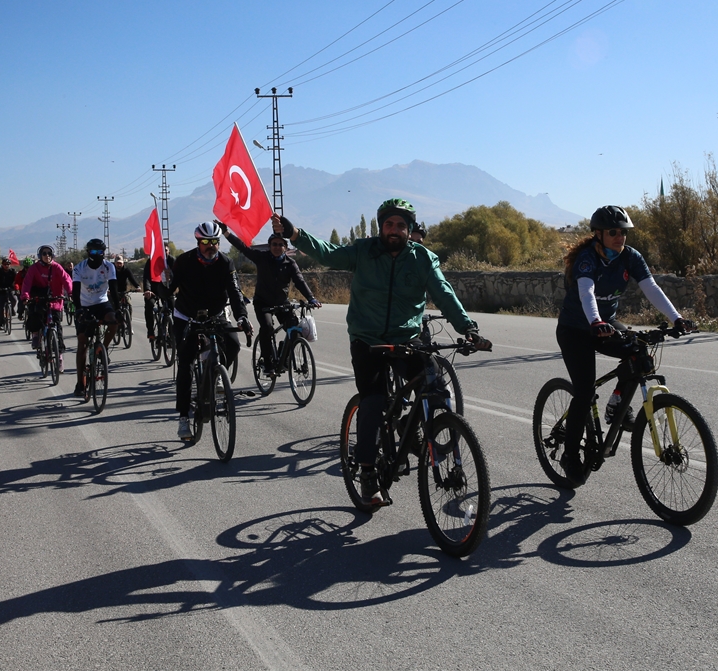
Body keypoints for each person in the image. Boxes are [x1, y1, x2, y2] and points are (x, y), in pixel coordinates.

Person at [273, 198, 489, 505]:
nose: (395, 230)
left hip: (407, 339)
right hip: (367, 340)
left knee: (436, 390)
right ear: (381, 226)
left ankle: (411, 429)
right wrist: (295, 233)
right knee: (373, 402)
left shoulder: (423, 259)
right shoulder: (364, 250)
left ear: (409, 228)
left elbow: (444, 293)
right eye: (389, 224)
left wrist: (467, 328)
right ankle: (368, 473)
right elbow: (328, 252)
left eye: (401, 225)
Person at [556, 205, 696, 484]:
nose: (620, 237)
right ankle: (571, 455)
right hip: (576, 329)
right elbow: (587, 292)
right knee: (583, 394)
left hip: (604, 326)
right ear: (598, 234)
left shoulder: (630, 257)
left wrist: (676, 318)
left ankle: (616, 403)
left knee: (639, 351)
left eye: (623, 232)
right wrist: (595, 321)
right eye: (613, 232)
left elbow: (651, 288)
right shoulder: (587, 258)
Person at [169, 222, 252, 441]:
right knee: (185, 362)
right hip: (187, 316)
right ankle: (184, 416)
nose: (210, 246)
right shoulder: (184, 261)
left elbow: (235, 292)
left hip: (216, 314)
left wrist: (242, 316)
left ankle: (215, 375)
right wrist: (161, 285)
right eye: (206, 242)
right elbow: (170, 289)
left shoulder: (226, 262)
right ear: (198, 242)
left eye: (214, 242)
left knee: (234, 343)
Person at [215, 220, 320, 374]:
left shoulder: (290, 264)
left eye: (280, 245)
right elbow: (243, 248)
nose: (277, 247)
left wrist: (311, 298)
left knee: (295, 329)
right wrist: (226, 233)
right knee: (267, 328)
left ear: (285, 247)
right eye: (274, 244)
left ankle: (283, 360)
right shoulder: (262, 257)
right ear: (270, 246)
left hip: (282, 303)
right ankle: (267, 361)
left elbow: (300, 281)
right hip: (262, 303)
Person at [71, 238, 120, 395]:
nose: (97, 255)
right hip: (85, 305)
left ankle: (102, 349)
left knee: (114, 321)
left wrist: (118, 309)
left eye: (100, 252)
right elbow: (75, 291)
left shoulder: (109, 267)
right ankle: (80, 383)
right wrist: (78, 310)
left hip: (101, 303)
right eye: (94, 252)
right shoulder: (79, 268)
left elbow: (113, 286)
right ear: (88, 252)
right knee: (82, 343)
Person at [19, 245, 72, 369]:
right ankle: (36, 335)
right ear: (40, 255)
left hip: (56, 300)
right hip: (40, 298)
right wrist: (26, 296)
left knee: (57, 328)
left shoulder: (57, 267)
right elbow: (27, 283)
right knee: (35, 315)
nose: (47, 255)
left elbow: (67, 280)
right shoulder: (34, 268)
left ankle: (59, 358)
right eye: (44, 253)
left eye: (49, 253)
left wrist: (70, 293)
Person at [142, 241, 176, 345]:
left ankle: (172, 334)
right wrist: (147, 290)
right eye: (161, 251)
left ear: (169, 251)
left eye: (165, 251)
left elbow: (179, 276)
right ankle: (151, 332)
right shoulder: (151, 261)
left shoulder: (172, 261)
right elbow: (146, 277)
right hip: (154, 289)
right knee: (149, 305)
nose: (164, 253)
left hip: (168, 290)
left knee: (174, 308)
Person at [110, 255, 140, 345]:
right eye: (117, 263)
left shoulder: (126, 271)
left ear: (123, 263)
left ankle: (129, 325)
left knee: (129, 304)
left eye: (120, 263)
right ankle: (114, 324)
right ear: (114, 263)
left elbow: (132, 279)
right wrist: (108, 289)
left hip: (123, 291)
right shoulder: (112, 270)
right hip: (112, 292)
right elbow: (107, 280)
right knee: (113, 307)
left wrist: (137, 286)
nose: (119, 265)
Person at [0, 257, 17, 322]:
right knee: (0, 307)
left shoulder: (12, 272)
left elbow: (16, 281)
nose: (6, 266)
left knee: (14, 300)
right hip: (1, 290)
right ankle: (1, 323)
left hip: (9, 290)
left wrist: (15, 287)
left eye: (8, 264)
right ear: (2, 265)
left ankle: (11, 308)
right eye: (5, 264)